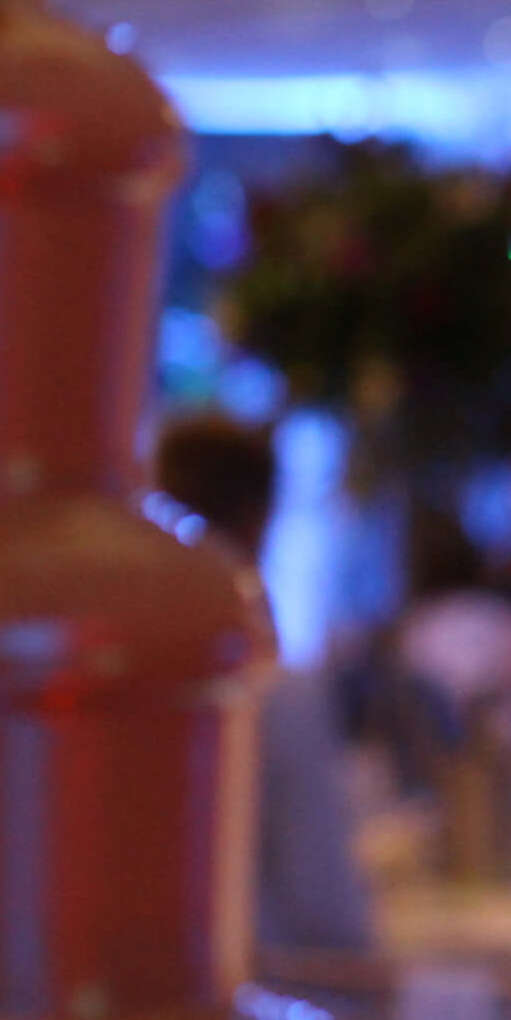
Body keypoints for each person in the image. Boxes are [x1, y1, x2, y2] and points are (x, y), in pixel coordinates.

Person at [153, 412, 379, 966]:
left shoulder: (113, 671)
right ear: (260, 520)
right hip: (266, 1002)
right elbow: (327, 913)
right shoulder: (269, 686)